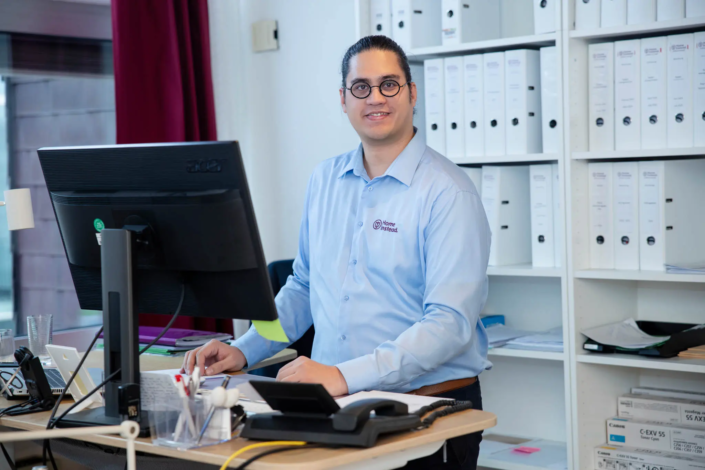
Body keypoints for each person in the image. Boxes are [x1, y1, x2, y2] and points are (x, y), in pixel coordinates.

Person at [182, 35, 491, 469]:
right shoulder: (325, 180)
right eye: (361, 87)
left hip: (425, 409)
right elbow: (304, 288)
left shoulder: (448, 192)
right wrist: (247, 348)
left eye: (389, 84)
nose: (376, 98)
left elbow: (449, 324)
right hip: (337, 404)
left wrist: (344, 375)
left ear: (412, 93)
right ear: (344, 100)